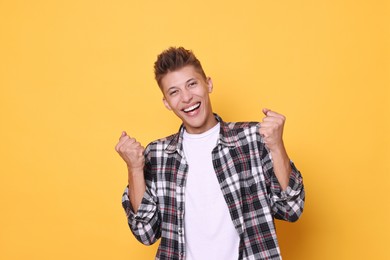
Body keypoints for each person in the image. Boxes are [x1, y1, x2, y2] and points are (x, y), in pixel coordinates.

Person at [115, 47, 305, 260]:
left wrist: (277, 146)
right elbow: (145, 232)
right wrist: (134, 168)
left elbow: (291, 208)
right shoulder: (158, 154)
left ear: (209, 84)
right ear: (166, 103)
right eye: (174, 92)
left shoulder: (252, 139)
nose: (186, 97)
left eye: (192, 84)